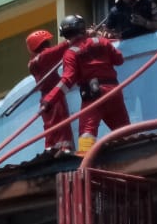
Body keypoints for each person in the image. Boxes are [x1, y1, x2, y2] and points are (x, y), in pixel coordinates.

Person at [51, 14, 130, 154]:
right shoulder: (102, 41)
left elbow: (67, 79)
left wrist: (49, 100)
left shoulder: (71, 52)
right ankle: (135, 152)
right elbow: (119, 59)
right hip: (114, 92)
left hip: (93, 95)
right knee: (124, 130)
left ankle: (84, 163)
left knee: (87, 131)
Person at [25, 30, 74, 155]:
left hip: (45, 98)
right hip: (54, 96)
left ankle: (50, 149)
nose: (49, 44)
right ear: (42, 44)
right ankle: (64, 150)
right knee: (61, 124)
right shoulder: (44, 57)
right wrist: (77, 36)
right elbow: (61, 48)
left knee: (50, 127)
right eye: (47, 42)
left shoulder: (34, 61)